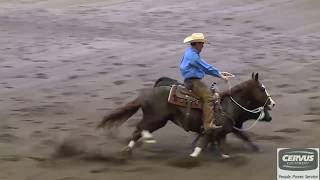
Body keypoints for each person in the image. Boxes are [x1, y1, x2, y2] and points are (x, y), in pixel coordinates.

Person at [180, 33, 233, 132]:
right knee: (209, 98)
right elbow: (205, 67)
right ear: (196, 44)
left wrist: (219, 73)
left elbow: (205, 67)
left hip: (191, 80)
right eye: (202, 44)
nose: (203, 46)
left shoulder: (191, 52)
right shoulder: (193, 56)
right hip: (193, 81)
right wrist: (220, 75)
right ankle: (208, 125)